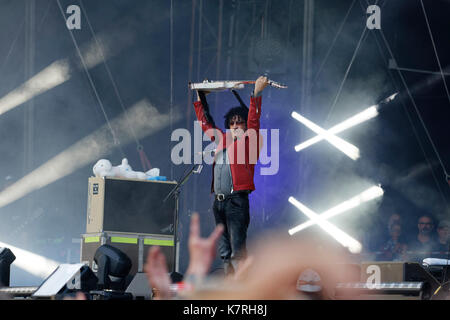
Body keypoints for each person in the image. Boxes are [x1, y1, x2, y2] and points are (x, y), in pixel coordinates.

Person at [192, 76, 268, 275]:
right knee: (224, 251)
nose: (235, 126)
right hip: (219, 202)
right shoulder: (223, 139)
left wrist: (256, 94)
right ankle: (228, 286)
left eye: (239, 122)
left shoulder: (250, 141)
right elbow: (205, 123)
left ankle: (239, 290)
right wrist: (201, 96)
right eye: (232, 123)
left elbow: (254, 120)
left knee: (237, 251)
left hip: (237, 202)